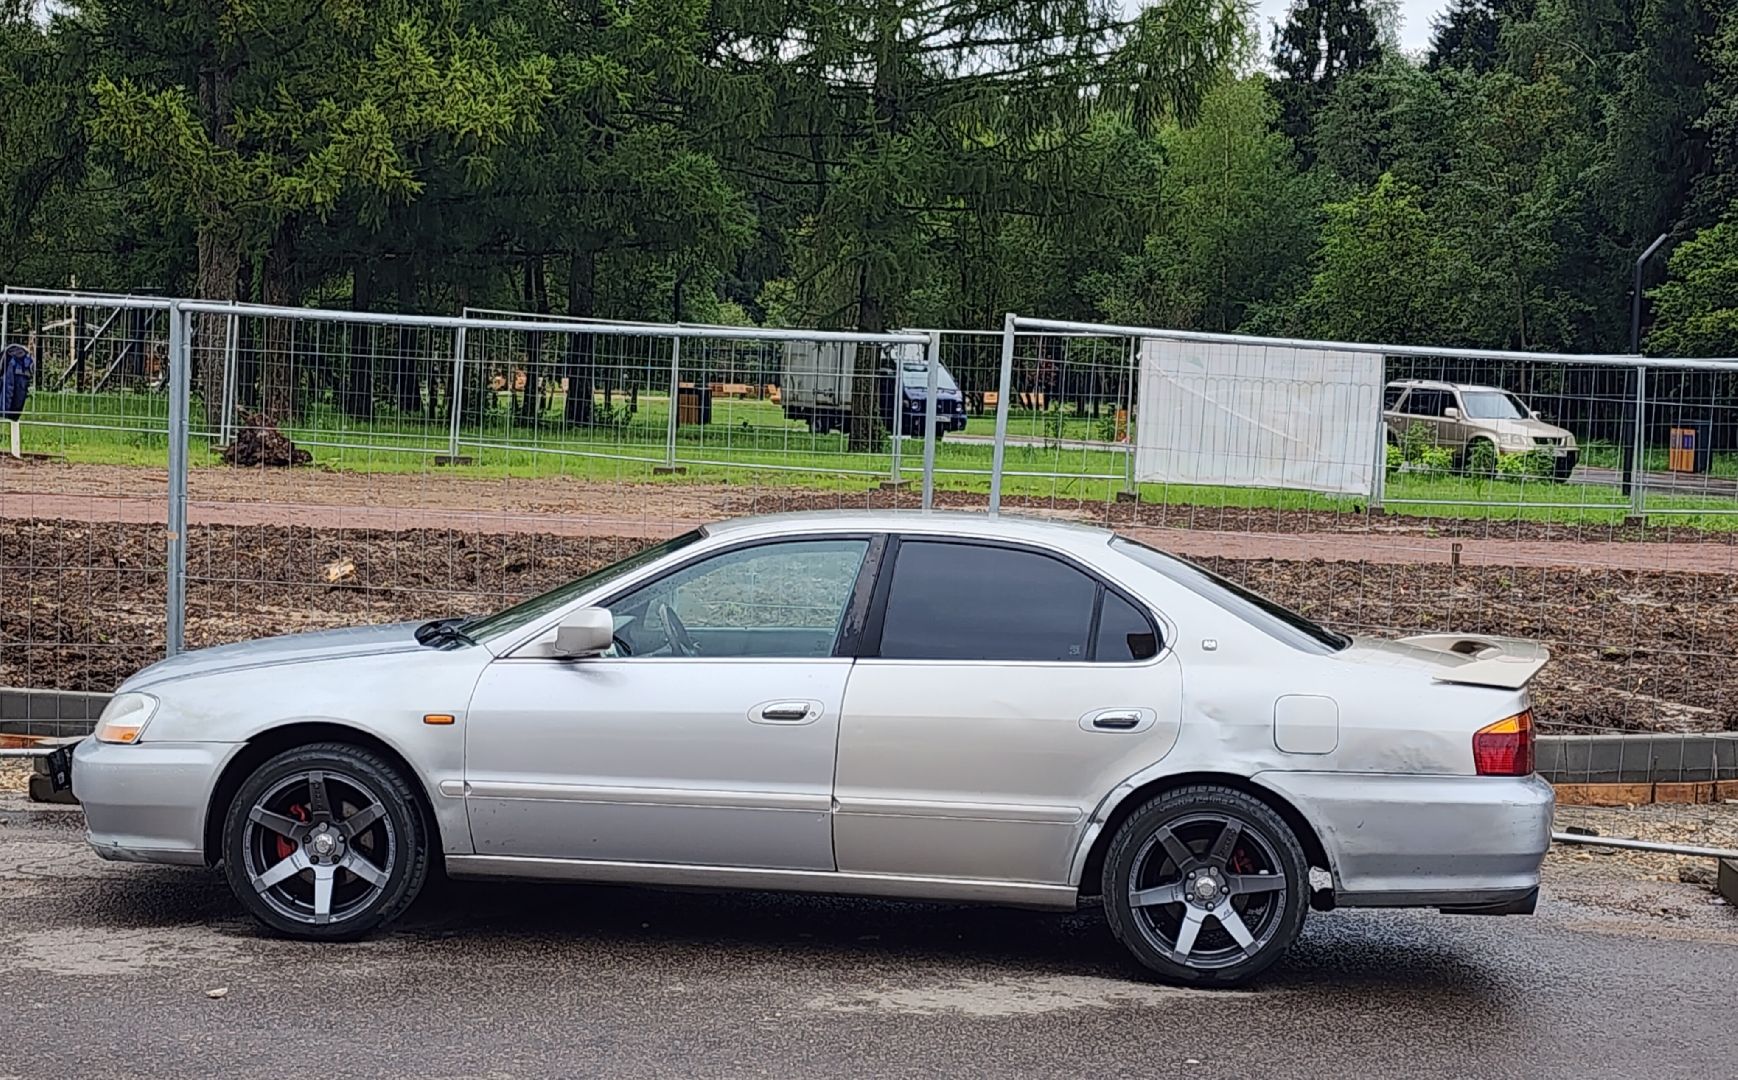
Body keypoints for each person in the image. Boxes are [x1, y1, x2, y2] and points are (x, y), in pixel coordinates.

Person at [0, 344, 34, 421]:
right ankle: (12, 418)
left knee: (8, 391)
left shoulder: (9, 357)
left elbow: (8, 389)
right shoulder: (27, 358)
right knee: (19, 395)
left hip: (12, 365)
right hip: (22, 368)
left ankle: (5, 415)